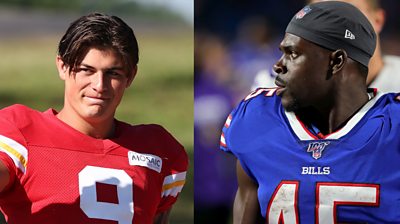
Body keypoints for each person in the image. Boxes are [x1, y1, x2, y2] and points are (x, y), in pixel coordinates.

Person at [220, 1, 400, 223]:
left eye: (292, 53)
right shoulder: (257, 117)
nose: (278, 65)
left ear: (336, 62)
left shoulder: (393, 126)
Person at [0, 13, 188, 224]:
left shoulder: (160, 150)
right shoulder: (21, 133)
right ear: (62, 66)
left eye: (113, 73)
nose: (99, 85)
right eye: (86, 70)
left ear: (130, 76)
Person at [253, 0, 400, 93]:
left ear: (378, 20)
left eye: (350, 14)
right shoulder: (273, 84)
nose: (335, 29)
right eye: (322, 16)